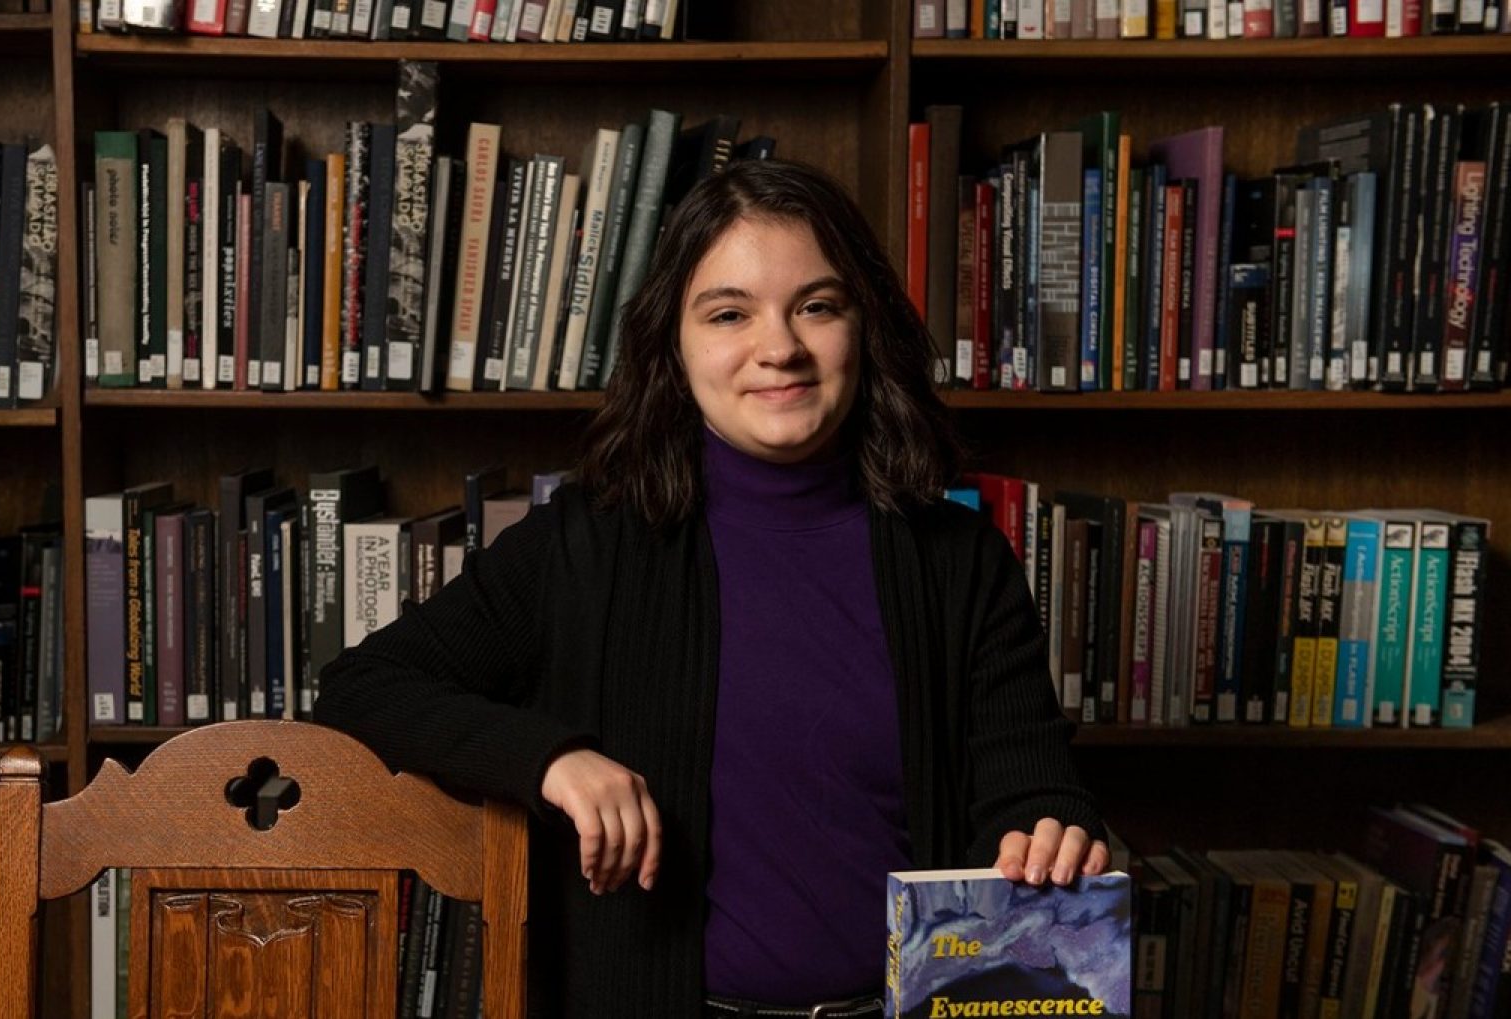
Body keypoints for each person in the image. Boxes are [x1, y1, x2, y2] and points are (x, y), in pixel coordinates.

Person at [314, 158, 1109, 1019]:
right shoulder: (587, 543)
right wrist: (550, 757)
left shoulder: (957, 559)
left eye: (817, 305)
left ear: (863, 326)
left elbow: (1030, 784)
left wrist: (1050, 829)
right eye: (730, 313)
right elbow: (359, 689)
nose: (781, 347)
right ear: (675, 344)